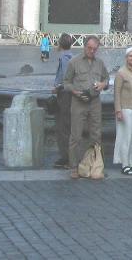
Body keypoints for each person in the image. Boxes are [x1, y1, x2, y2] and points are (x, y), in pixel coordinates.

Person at [63, 35, 109, 180]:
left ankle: (96, 165)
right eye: (89, 48)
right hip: (78, 102)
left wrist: (103, 85)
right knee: (75, 135)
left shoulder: (100, 63)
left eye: (95, 49)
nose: (92, 51)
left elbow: (106, 79)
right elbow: (66, 82)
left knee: (96, 135)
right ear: (84, 47)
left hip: (95, 102)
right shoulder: (74, 62)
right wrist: (75, 91)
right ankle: (74, 167)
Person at [114, 47, 132, 175]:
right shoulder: (121, 73)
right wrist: (118, 110)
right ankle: (125, 164)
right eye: (131, 56)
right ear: (126, 58)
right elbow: (116, 93)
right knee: (126, 137)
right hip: (126, 109)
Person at [52, 33, 75, 169]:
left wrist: (57, 87)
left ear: (60, 44)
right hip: (68, 94)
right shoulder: (72, 56)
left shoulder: (65, 58)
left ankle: (66, 157)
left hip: (65, 95)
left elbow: (67, 78)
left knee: (63, 126)